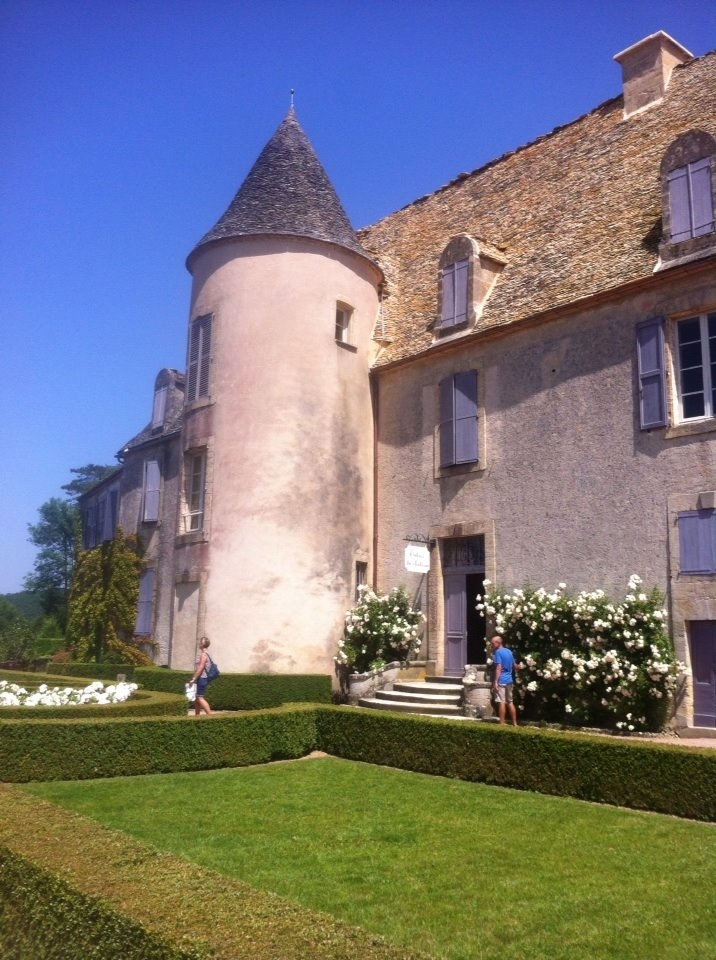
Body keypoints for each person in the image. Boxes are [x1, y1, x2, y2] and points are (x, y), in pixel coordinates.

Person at [490, 634, 518, 726]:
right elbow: (515, 666)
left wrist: (495, 682)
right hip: (509, 680)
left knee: (502, 701)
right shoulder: (509, 651)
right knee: (510, 702)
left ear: (498, 643)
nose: (492, 645)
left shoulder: (498, 652)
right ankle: (515, 723)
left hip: (502, 680)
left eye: (493, 643)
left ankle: (502, 723)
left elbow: (498, 667)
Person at [189, 636, 213, 716]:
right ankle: (197, 716)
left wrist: (194, 678)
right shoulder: (207, 654)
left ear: (203, 644)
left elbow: (201, 668)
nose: (199, 643)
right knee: (197, 699)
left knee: (200, 698)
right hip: (202, 678)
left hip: (201, 678)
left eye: (200, 642)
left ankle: (210, 716)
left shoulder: (204, 655)